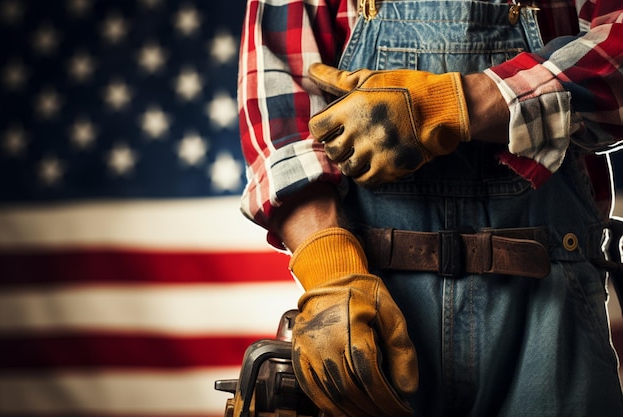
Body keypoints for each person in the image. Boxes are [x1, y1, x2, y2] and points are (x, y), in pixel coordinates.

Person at [238, 0, 623, 416]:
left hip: (551, 312)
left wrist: (459, 103)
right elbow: (281, 104)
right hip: (375, 309)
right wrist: (331, 272)